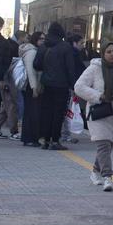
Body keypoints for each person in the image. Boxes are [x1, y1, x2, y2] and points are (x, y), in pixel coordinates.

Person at [74, 41, 113, 191]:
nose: (112, 54)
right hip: (99, 113)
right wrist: (98, 96)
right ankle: (107, 177)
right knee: (103, 144)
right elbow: (79, 87)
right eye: (108, 52)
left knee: (107, 146)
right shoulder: (94, 69)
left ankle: (95, 171)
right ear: (103, 54)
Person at [36, 22, 81, 150]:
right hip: (61, 86)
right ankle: (55, 141)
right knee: (58, 113)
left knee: (46, 112)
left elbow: (36, 64)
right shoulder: (65, 47)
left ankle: (45, 140)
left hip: (46, 85)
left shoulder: (44, 46)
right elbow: (70, 69)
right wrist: (74, 86)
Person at [19, 31, 44, 146]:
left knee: (30, 111)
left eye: (44, 38)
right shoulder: (32, 52)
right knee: (32, 112)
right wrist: (34, 87)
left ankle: (28, 137)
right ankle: (31, 138)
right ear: (35, 39)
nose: (43, 41)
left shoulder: (32, 50)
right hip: (30, 86)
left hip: (30, 85)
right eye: (41, 39)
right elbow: (31, 71)